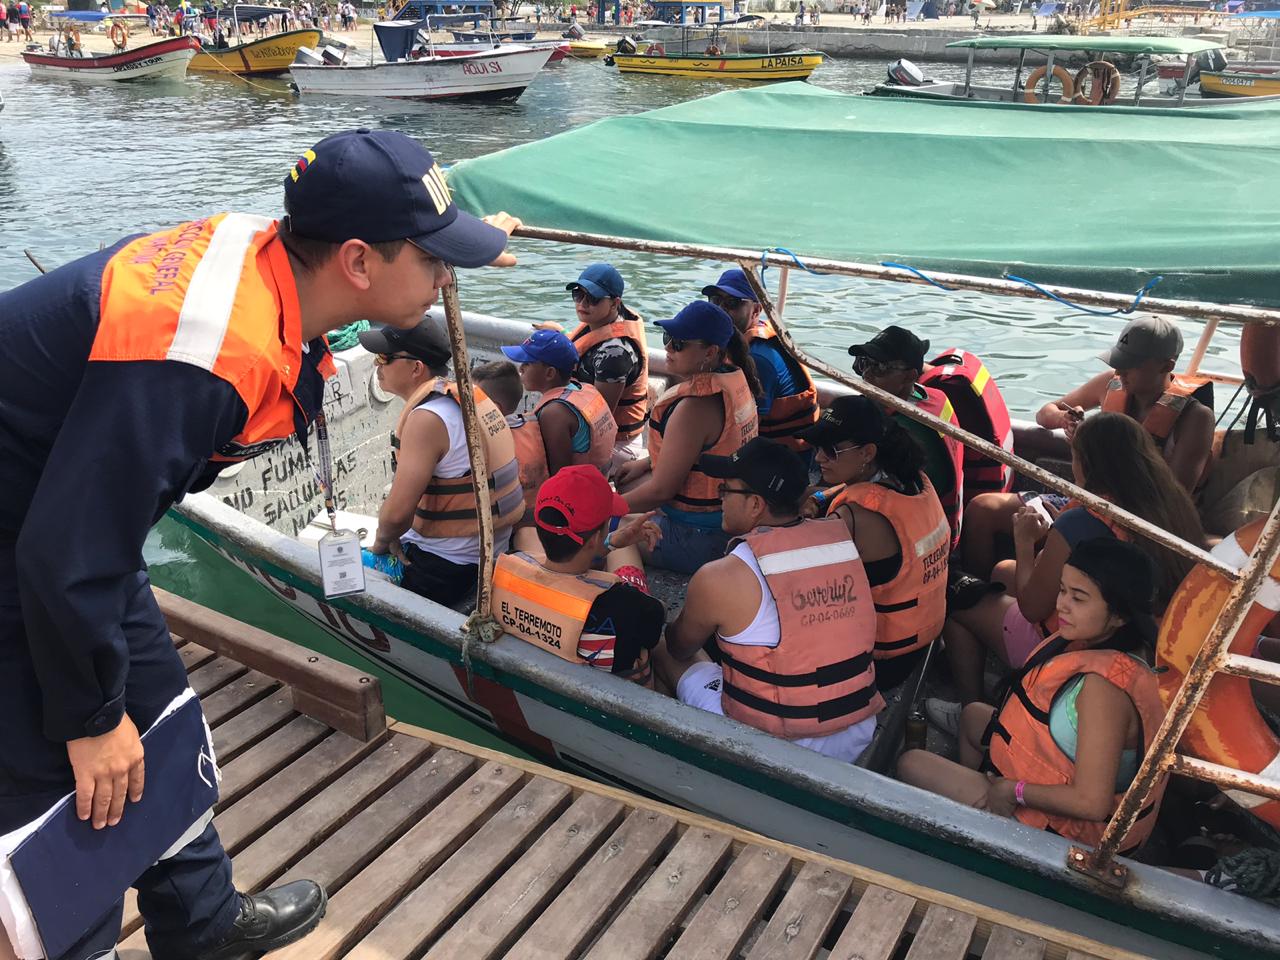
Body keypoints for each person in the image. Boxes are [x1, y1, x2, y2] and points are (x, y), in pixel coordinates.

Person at [0, 130, 519, 958]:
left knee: (162, 715)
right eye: (434, 259)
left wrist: (452, 234)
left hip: (69, 517)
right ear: (357, 261)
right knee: (69, 799)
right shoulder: (207, 355)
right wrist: (90, 720)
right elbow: (62, 555)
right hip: (34, 536)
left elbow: (86, 535)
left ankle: (201, 923)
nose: (447, 279)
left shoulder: (272, 259)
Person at [899, 539, 1170, 855]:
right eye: (1063, 590)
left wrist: (1013, 791)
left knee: (911, 763)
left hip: (1071, 839)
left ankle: (982, 828)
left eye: (1078, 598)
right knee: (974, 716)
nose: (1062, 605)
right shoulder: (1112, 644)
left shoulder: (1104, 691)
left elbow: (1092, 802)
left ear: (1120, 616)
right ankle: (978, 821)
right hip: (1054, 778)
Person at [938, 412, 1206, 715]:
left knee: (957, 599)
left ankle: (973, 710)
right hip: (1147, 637)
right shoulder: (1172, 504)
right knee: (1002, 572)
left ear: (1087, 463)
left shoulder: (1081, 520)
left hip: (1081, 645)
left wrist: (1025, 542)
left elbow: (1033, 609)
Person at [655, 438, 883, 762]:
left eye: (726, 490)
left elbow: (680, 647)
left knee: (661, 643)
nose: (719, 498)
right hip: (857, 731)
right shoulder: (842, 541)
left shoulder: (720, 577)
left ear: (755, 505)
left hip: (776, 749)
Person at [363, 318, 525, 607]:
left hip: (444, 570)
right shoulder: (470, 398)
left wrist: (380, 544)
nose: (378, 366)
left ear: (416, 368)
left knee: (338, 567)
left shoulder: (428, 419)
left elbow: (396, 517)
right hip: (490, 555)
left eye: (385, 358)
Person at [800, 395, 950, 691]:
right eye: (818, 447)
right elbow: (849, 492)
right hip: (920, 640)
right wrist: (812, 499)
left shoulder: (857, 518)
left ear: (867, 452)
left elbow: (806, 586)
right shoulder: (913, 481)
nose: (818, 458)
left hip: (880, 661)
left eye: (830, 451)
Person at [616, 302, 760, 573]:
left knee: (605, 532)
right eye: (667, 338)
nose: (669, 348)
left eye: (679, 343)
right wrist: (644, 463)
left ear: (710, 352)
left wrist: (603, 509)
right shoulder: (736, 381)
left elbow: (662, 491)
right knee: (630, 482)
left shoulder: (694, 408)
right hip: (726, 516)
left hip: (698, 537)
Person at [493, 466, 664, 686]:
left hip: (540, 682)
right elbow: (654, 626)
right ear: (594, 539)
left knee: (525, 536)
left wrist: (609, 543)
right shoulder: (627, 606)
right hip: (604, 698)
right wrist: (615, 547)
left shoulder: (504, 572)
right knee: (626, 553)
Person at [1035, 316, 1214, 494]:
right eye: (1119, 362)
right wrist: (1064, 420)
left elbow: (1174, 498)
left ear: (1166, 366)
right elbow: (1044, 413)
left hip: (1138, 517)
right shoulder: (1109, 383)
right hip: (1090, 500)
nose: (1119, 372)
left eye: (1130, 365)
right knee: (1008, 507)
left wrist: (1089, 448)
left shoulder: (1196, 418)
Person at [848, 325, 965, 549]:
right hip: (940, 525)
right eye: (864, 363)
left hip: (921, 540)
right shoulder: (935, 397)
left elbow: (887, 496)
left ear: (910, 375)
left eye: (880, 367)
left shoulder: (906, 430)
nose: (867, 375)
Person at [702, 268, 818, 455]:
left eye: (732, 303)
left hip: (779, 459)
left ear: (756, 310)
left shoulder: (759, 359)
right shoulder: (738, 341)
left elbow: (747, 429)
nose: (721, 310)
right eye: (716, 301)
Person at [500, 329, 618, 507]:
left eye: (527, 363)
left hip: (576, 501)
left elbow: (559, 477)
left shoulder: (554, 413)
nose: (520, 368)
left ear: (549, 373)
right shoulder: (584, 388)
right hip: (598, 485)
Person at [564, 263, 650, 470]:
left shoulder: (615, 353)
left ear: (615, 303)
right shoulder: (600, 323)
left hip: (617, 443)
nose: (583, 303)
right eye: (578, 294)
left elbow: (600, 420)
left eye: (593, 298)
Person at [918, 345, 1015, 503]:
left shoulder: (947, 389)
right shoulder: (959, 371)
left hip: (979, 501)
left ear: (908, 375)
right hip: (1003, 481)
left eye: (877, 369)